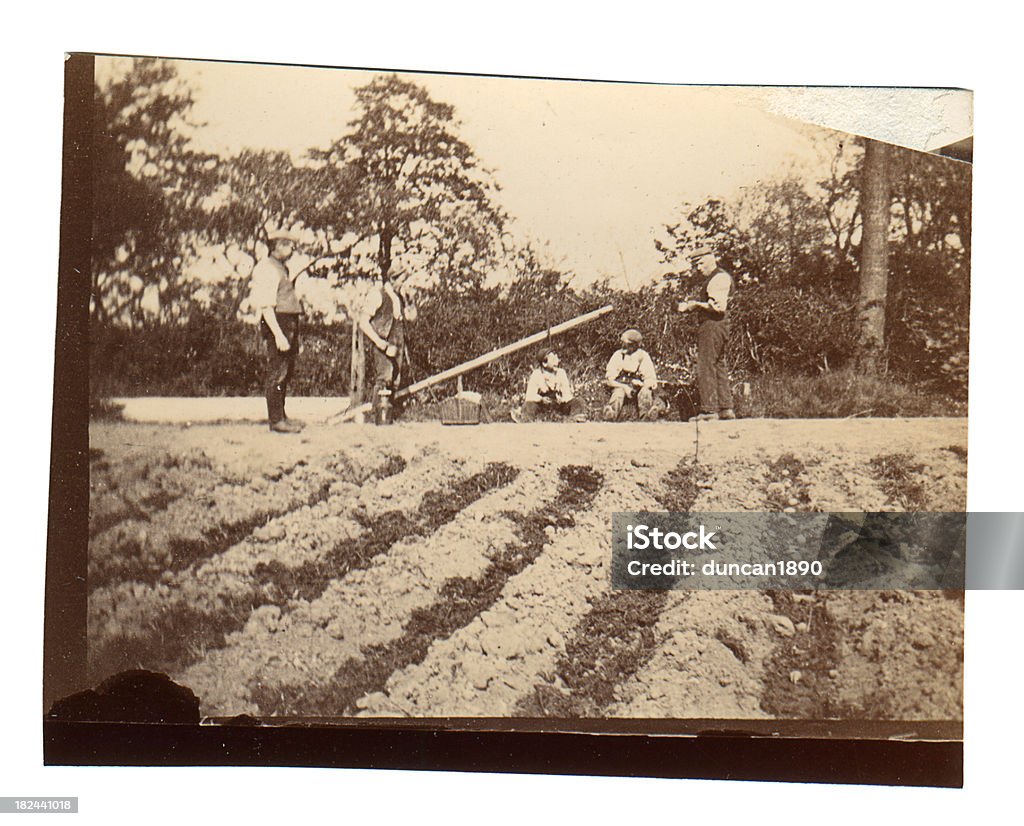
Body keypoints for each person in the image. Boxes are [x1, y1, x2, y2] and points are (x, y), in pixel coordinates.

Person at [250, 229, 305, 433]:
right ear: (277, 246)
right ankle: (276, 420)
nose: (292, 249)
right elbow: (266, 306)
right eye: (288, 245)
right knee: (277, 372)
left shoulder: (281, 268)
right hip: (278, 323)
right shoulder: (267, 269)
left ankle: (281, 416)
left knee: (286, 372)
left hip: (288, 322)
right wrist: (279, 334)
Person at [677, 247, 736, 421]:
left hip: (713, 324)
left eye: (700, 263)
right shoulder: (718, 278)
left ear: (711, 259)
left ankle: (709, 410)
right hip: (719, 324)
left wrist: (695, 304)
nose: (698, 268)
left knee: (706, 364)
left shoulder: (719, 278)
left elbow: (718, 307)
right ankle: (726, 408)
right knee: (718, 364)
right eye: (696, 265)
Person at [358, 269, 417, 419]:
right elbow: (363, 322)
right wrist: (380, 343)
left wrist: (411, 302)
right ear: (392, 278)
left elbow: (411, 318)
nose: (403, 285)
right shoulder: (377, 294)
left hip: (398, 343)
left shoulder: (400, 298)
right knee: (384, 379)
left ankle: (389, 417)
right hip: (383, 342)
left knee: (394, 381)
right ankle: (376, 416)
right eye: (401, 281)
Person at [513, 351, 587, 422]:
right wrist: (541, 399)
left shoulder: (561, 373)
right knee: (529, 405)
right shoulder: (537, 374)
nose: (556, 362)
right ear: (544, 363)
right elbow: (529, 396)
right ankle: (525, 419)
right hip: (542, 407)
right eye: (553, 359)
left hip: (559, 406)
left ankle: (576, 417)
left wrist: (562, 399)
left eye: (556, 359)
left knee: (578, 401)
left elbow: (567, 394)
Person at [604, 329, 660, 421]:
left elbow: (650, 378)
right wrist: (625, 387)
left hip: (638, 388)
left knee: (645, 393)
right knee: (618, 394)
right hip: (621, 385)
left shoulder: (643, 356)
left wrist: (643, 384)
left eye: (628, 344)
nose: (624, 346)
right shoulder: (618, 355)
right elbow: (609, 380)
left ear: (635, 345)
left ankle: (647, 416)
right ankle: (611, 414)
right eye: (623, 343)